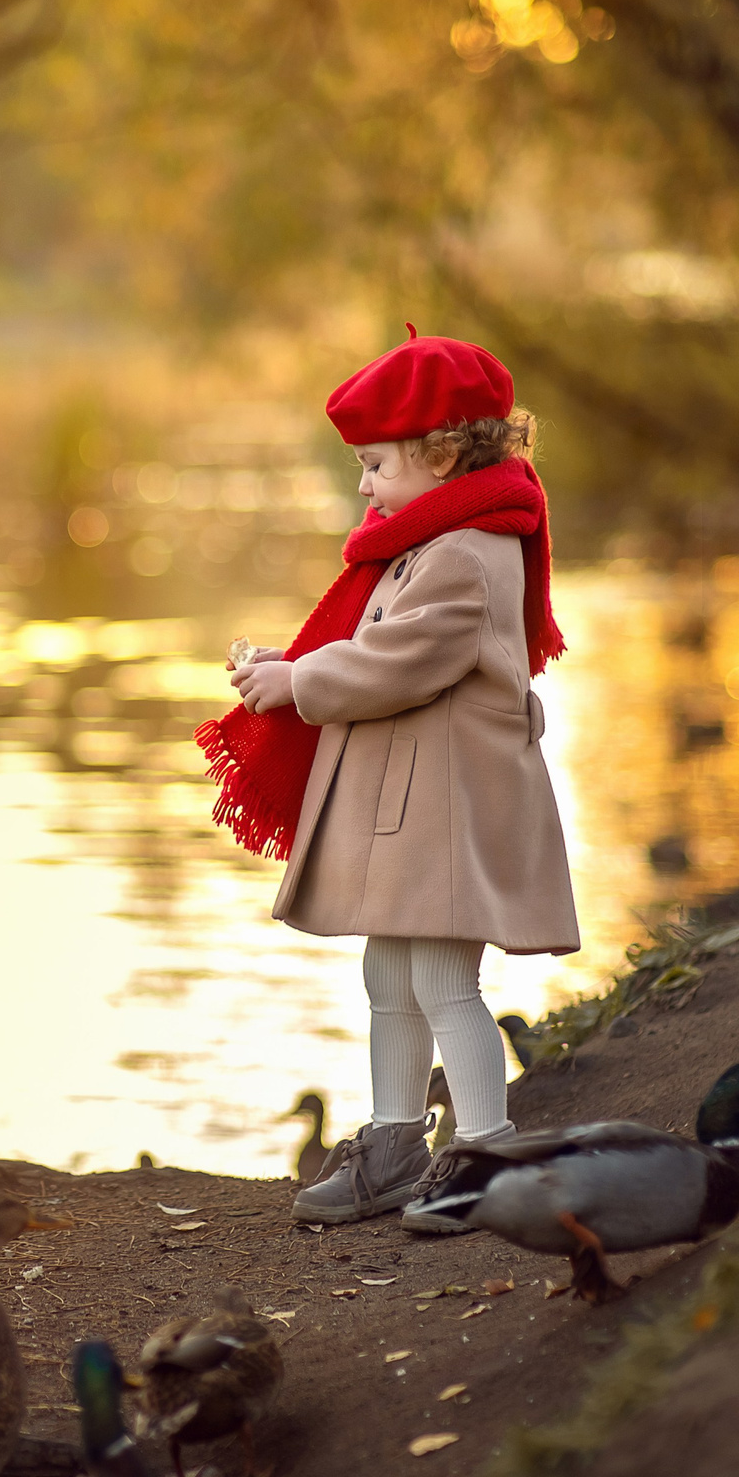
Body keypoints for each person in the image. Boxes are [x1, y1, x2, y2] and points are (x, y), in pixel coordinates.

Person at [197, 332, 579, 1228]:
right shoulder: (430, 539)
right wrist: (295, 665)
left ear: (441, 455)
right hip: (413, 809)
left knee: (445, 981)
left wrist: (302, 681)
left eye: (375, 464)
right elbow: (374, 647)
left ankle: (486, 1154)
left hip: (448, 812)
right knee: (389, 976)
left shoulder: (467, 552)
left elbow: (400, 661)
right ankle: (397, 1142)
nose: (364, 485)